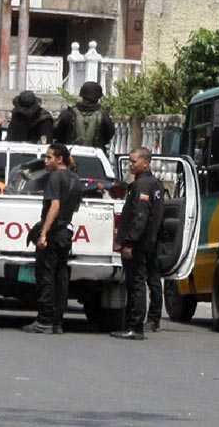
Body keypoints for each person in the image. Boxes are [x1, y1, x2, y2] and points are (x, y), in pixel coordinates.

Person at [22, 143, 82, 335]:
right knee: (61, 277)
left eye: (49, 157)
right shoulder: (75, 178)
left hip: (55, 232)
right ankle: (57, 322)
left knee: (46, 276)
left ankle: (44, 321)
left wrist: (44, 233)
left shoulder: (55, 177)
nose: (45, 161)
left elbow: (54, 206)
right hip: (65, 232)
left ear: (59, 159)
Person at [112, 147, 165, 341]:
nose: (130, 165)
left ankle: (135, 326)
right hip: (148, 242)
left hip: (139, 244)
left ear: (145, 162)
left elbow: (140, 217)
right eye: (129, 161)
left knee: (136, 284)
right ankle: (141, 322)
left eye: (134, 161)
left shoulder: (143, 185)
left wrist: (129, 243)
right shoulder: (154, 183)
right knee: (143, 282)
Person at [54, 81, 115, 150]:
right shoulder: (103, 116)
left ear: (82, 95)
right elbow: (109, 135)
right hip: (95, 157)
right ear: (98, 98)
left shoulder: (68, 113)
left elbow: (56, 133)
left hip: (70, 155)